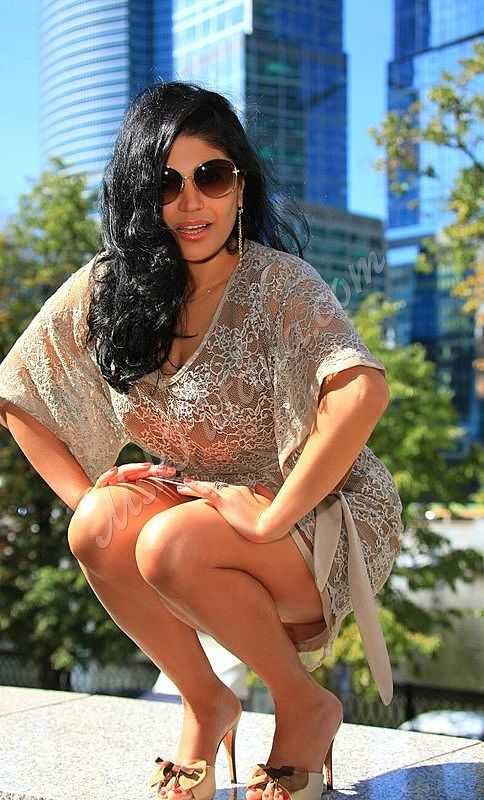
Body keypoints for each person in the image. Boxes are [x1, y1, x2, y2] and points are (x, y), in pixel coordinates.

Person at [0, 81, 404, 800]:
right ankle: (206, 700)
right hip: (198, 514)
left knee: (168, 543)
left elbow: (361, 393)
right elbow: (18, 392)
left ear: (239, 187)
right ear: (140, 197)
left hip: (320, 516)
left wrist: (272, 516)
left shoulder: (278, 284)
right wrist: (87, 493)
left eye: (210, 177)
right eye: (166, 183)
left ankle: (304, 706)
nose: (191, 203)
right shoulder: (111, 289)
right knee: (98, 525)